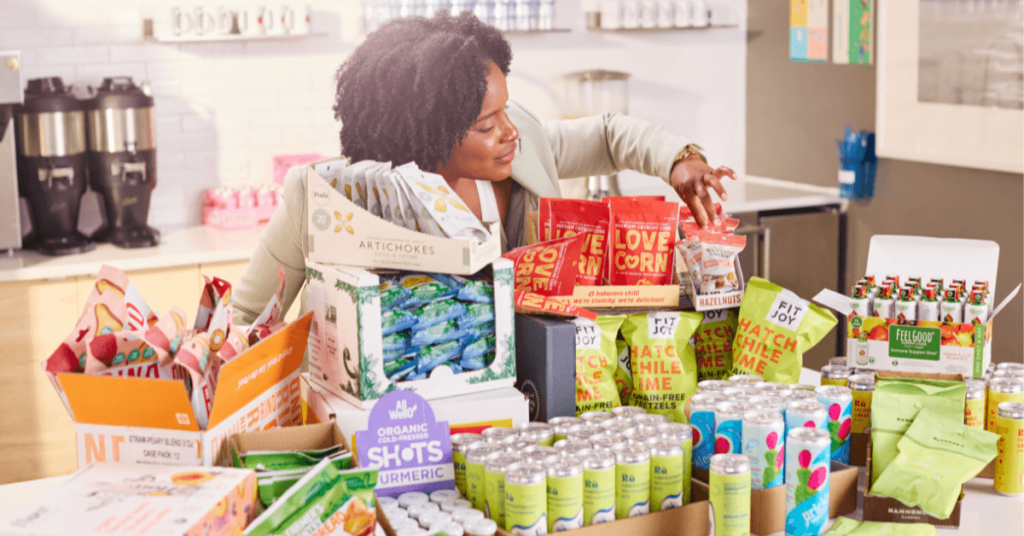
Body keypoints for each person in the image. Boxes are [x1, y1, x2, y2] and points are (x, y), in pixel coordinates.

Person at [234, 12, 737, 324]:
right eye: (486, 123)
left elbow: (606, 133)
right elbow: (245, 320)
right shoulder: (325, 196)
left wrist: (679, 158)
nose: (509, 130)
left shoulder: (522, 148)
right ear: (428, 133)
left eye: (506, 110)